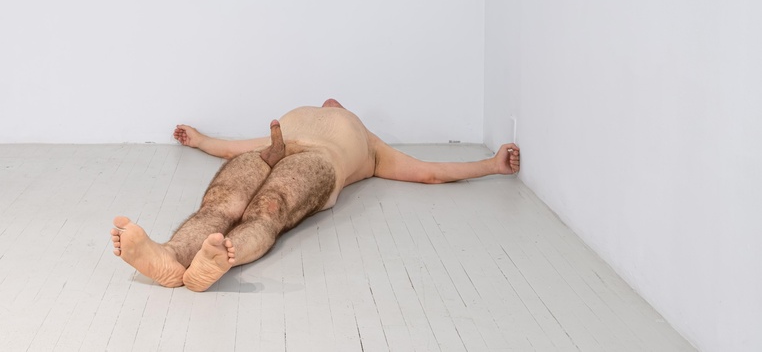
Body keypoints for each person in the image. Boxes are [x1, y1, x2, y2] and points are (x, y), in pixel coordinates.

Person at [110, 99, 520, 292]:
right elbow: (235, 148)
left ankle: (217, 259)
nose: (331, 102)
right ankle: (170, 255)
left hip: (319, 162)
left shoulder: (372, 145)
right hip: (272, 149)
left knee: (268, 210)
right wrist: (201, 140)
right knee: (221, 202)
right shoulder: (301, 116)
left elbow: (429, 172)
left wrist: (491, 164)